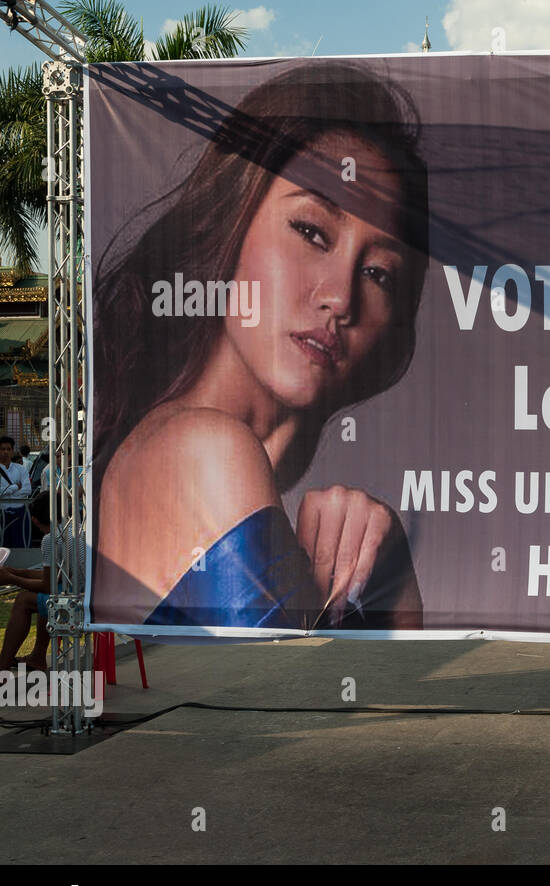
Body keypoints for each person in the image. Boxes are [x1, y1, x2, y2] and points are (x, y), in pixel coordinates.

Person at [91, 62, 430, 632]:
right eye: (311, 232)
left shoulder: (181, 447)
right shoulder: (204, 449)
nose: (340, 298)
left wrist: (388, 568)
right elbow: (305, 714)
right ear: (233, 218)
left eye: (378, 274)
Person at [0, 492, 82, 670]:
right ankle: (37, 656)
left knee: (23, 600)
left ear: (35, 520)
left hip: (78, 601)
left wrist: (11, 578)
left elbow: (47, 585)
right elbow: (54, 577)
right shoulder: (76, 529)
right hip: (87, 592)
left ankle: (3, 665)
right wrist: (15, 572)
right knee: (39, 599)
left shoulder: (51, 539)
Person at [0, 436, 32, 549]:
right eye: (2, 449)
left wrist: (6, 492)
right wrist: (15, 487)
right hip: (2, 515)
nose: (5, 452)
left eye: (8, 449)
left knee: (21, 547)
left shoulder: (21, 469)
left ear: (12, 451)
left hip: (21, 514)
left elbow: (28, 489)